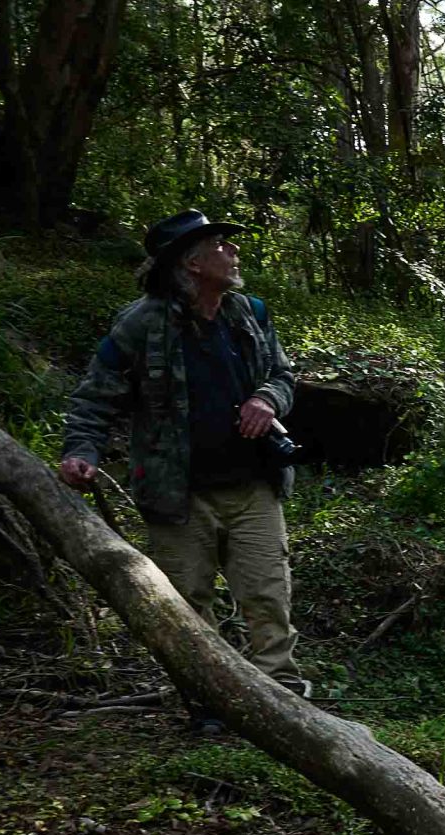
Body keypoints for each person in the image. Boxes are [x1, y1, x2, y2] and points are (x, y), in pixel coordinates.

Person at [58, 209, 309, 734]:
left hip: (253, 486)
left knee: (268, 595)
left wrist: (267, 398)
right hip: (178, 495)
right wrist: (83, 451)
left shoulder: (251, 314)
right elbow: (95, 397)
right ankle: (212, 706)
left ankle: (283, 705)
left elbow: (283, 375)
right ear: (191, 263)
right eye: (221, 245)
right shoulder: (141, 324)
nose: (233, 253)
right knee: (188, 606)